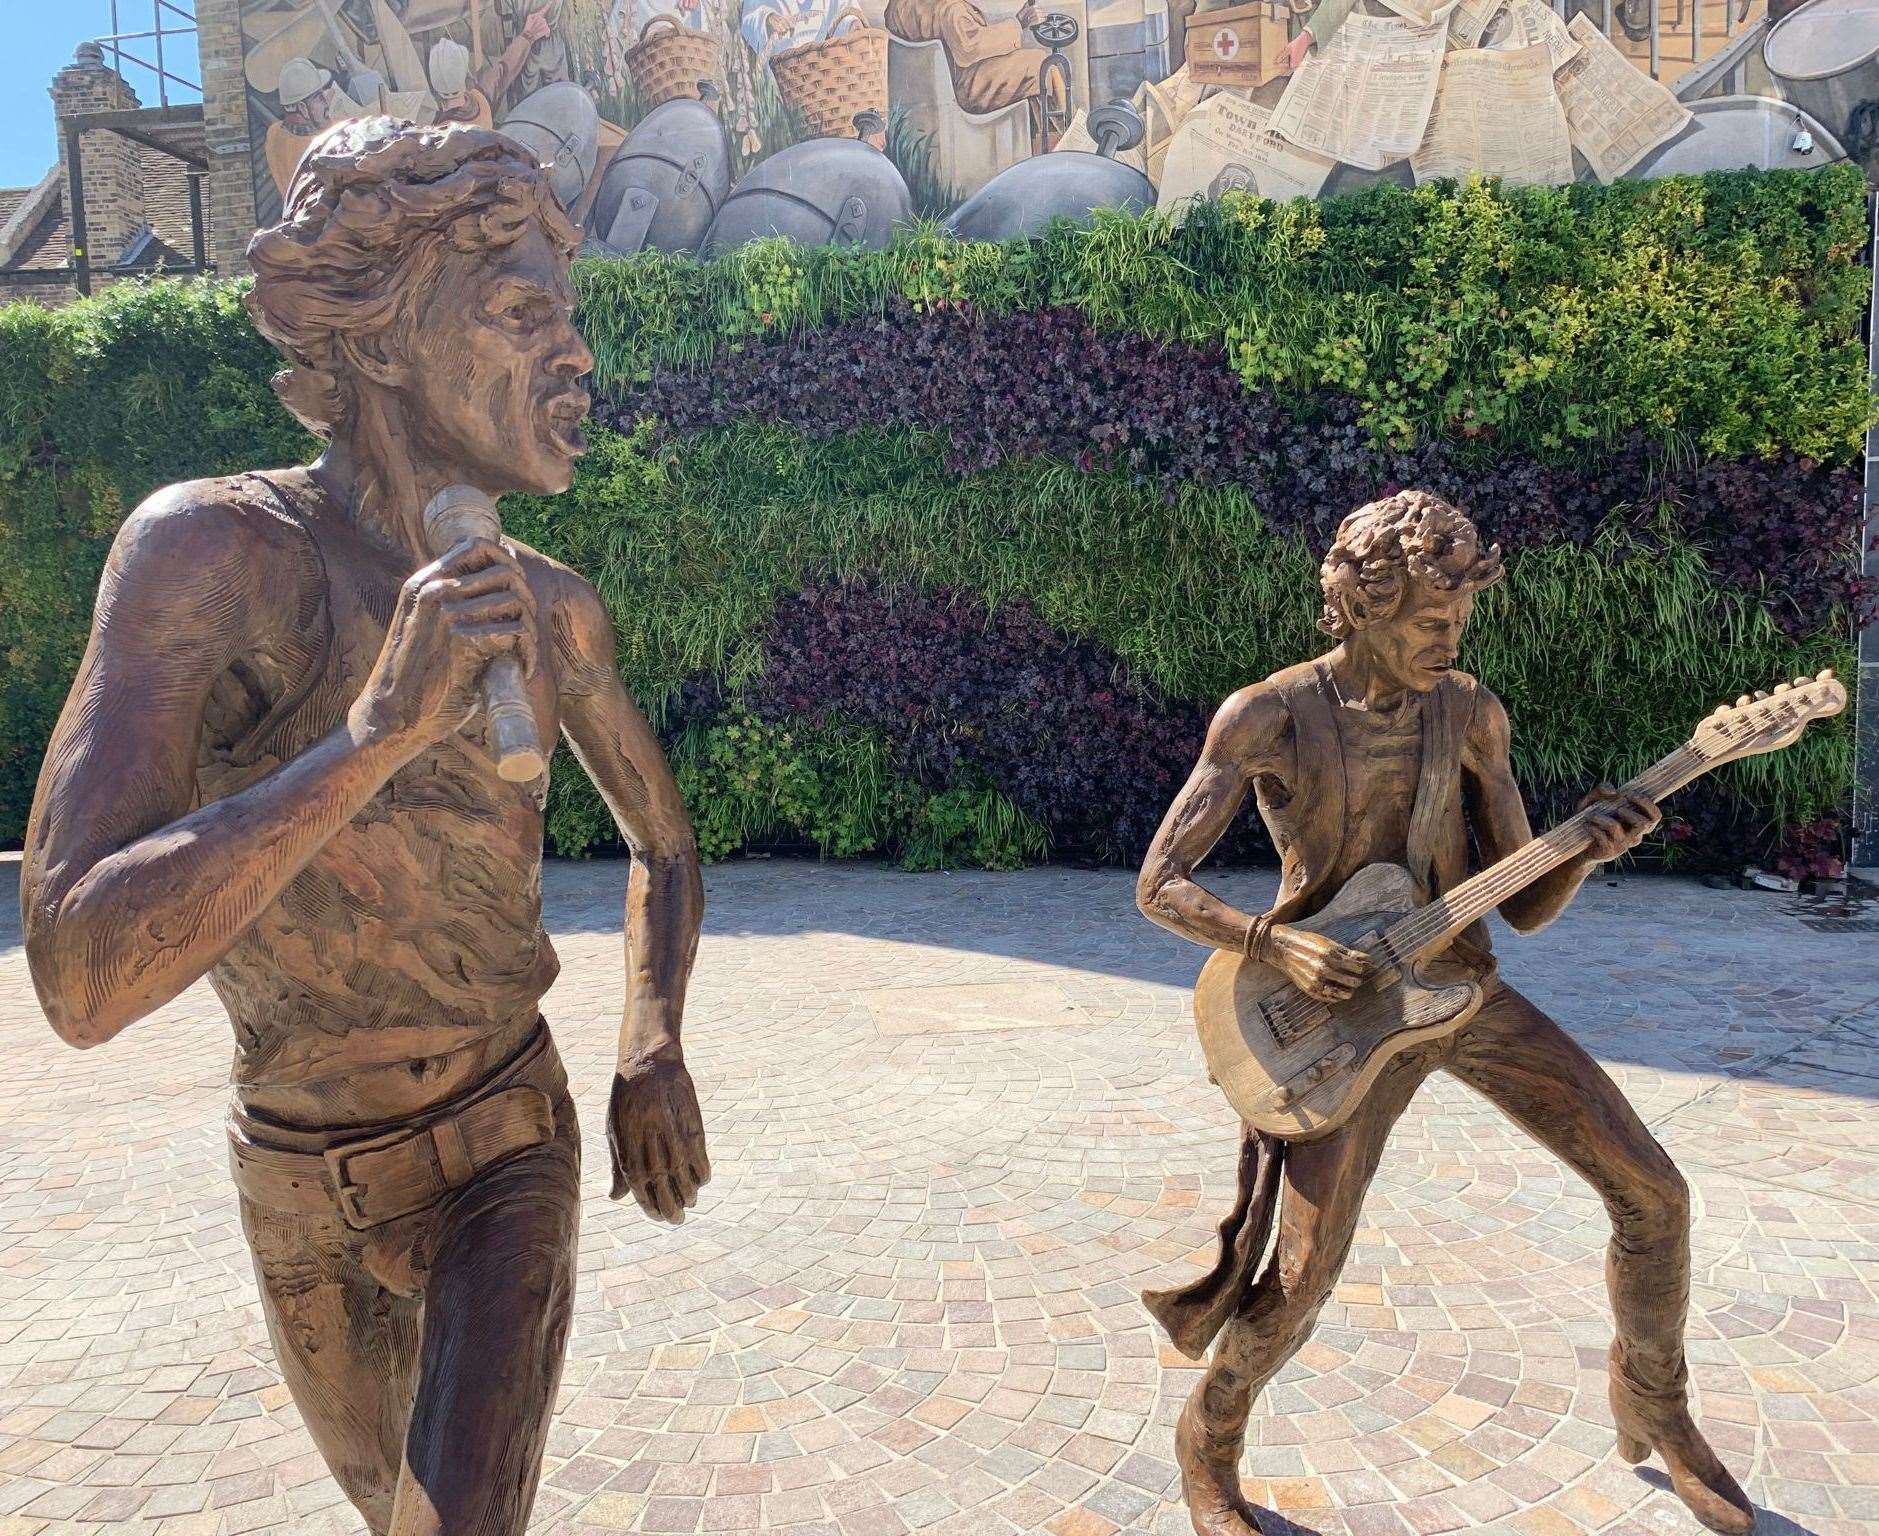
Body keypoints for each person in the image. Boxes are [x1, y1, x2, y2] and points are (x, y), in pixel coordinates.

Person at [20, 120, 709, 1536]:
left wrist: (649, 1038)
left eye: (570, 319)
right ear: (384, 338)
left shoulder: (552, 609)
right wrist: (373, 737)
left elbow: (663, 844)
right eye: (524, 316)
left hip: (505, 1136)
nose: (576, 357)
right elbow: (80, 976)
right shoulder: (211, 557)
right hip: (294, 1172)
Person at [1135, 490, 1755, 1536]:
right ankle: (1210, 1440)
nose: (1448, 641)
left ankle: (1654, 1399)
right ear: (1361, 605)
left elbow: (1520, 906)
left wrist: (1587, 851)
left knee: (1655, 1195)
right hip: (1335, 1014)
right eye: (1430, 622)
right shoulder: (1268, 714)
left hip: (1460, 991)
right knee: (1300, 1276)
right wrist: (1271, 939)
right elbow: (1159, 883)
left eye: (1458, 622)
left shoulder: (1469, 711)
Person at [883, 0, 1059, 116]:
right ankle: (1066, 135)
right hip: (964, 91)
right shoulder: (950, 9)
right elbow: (970, 48)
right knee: (1043, 64)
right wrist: (1019, 23)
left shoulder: (899, 6)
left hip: (932, 93)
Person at [265, 56, 364, 197]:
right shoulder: (316, 150)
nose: (326, 103)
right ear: (302, 108)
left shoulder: (274, 132)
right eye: (318, 98)